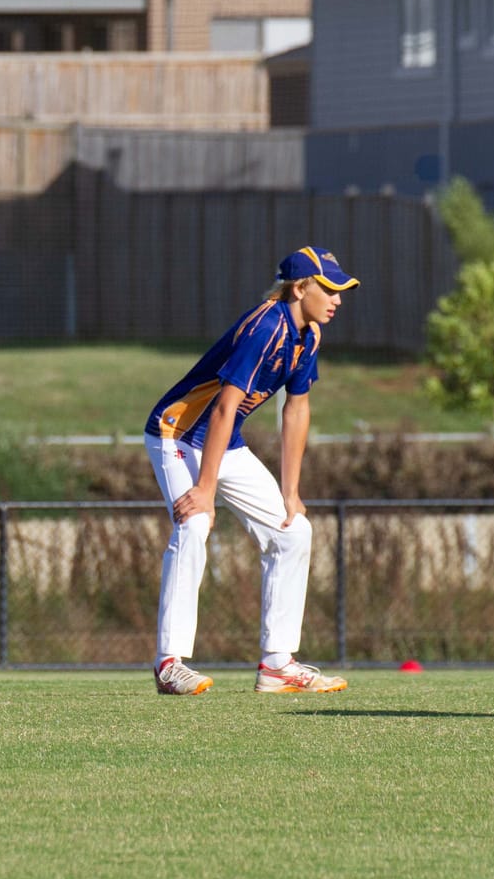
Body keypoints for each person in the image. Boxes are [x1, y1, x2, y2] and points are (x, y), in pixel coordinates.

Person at [144, 247, 358, 696]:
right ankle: (170, 663)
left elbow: (296, 411)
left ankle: (278, 665)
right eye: (330, 289)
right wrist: (205, 489)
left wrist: (291, 492)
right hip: (178, 433)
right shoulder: (266, 327)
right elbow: (223, 408)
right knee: (195, 523)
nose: (338, 299)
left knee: (292, 531)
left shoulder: (308, 336)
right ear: (300, 289)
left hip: (224, 443)